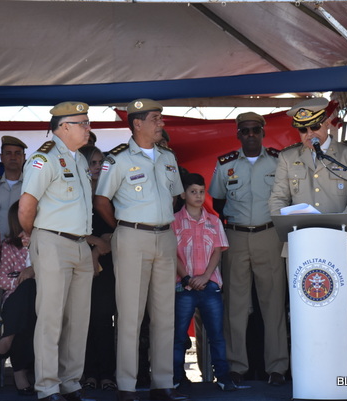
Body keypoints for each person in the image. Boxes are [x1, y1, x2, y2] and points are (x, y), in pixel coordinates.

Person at [269, 97, 347, 381]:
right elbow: (277, 198)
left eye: (314, 127)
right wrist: (286, 223)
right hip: (301, 247)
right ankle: (308, 379)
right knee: (304, 314)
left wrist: (342, 230)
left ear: (328, 123)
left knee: (345, 316)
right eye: (303, 130)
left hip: (340, 245)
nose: (309, 135)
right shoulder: (288, 158)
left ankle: (346, 380)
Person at [94, 99, 186, 401]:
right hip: (132, 237)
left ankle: (163, 384)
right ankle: (127, 386)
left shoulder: (168, 157)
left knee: (164, 315)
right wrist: (122, 227)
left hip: (165, 236)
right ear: (137, 123)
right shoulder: (117, 159)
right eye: (156, 119)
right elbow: (101, 201)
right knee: (130, 314)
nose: (162, 124)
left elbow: (176, 197)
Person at [18, 101, 94, 401]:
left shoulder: (79, 159)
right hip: (51, 241)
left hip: (80, 245)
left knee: (77, 320)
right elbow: (26, 206)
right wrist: (33, 235)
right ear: (63, 127)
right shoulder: (44, 158)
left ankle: (70, 383)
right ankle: (48, 386)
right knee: (50, 317)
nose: (89, 128)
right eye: (83, 123)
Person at [208, 112, 287, 385]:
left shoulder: (280, 161)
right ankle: (236, 366)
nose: (251, 134)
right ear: (238, 135)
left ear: (263, 132)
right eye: (245, 131)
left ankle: (277, 367)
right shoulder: (225, 165)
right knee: (235, 305)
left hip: (270, 235)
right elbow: (217, 203)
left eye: (255, 130)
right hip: (236, 236)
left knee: (274, 302)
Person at [171, 173, 235, 391]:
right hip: (183, 286)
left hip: (209, 285)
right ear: (183, 194)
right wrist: (188, 278)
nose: (198, 196)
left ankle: (224, 378)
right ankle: (177, 378)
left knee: (216, 335)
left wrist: (206, 277)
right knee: (178, 336)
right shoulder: (174, 222)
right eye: (193, 192)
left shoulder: (214, 220)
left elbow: (217, 251)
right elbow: (172, 254)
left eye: (201, 191)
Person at [0, 201, 37, 396]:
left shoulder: (45, 242)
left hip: (42, 300)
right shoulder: (9, 246)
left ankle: (8, 339)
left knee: (30, 289)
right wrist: (23, 279)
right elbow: (3, 280)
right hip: (14, 301)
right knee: (26, 292)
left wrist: (29, 273)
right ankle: (20, 372)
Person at [78, 145, 117, 391]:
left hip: (108, 264)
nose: (97, 167)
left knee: (103, 319)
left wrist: (98, 249)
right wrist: (93, 244)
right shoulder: (73, 193)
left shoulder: (112, 193)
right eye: (92, 162)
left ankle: (107, 374)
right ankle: (87, 374)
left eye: (101, 163)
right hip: (78, 262)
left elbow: (117, 230)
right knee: (83, 320)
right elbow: (70, 229)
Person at [0, 135, 27, 242]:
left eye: (17, 153)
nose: (13, 157)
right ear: (1, 157)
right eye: (8, 153)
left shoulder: (32, 186)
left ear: (24, 157)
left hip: (23, 249)